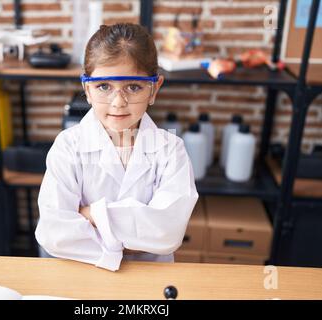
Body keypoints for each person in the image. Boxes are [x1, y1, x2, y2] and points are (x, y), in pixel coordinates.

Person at [35, 23, 199, 271]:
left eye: (133, 87)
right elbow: (54, 233)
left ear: (154, 89)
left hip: (150, 278)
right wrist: (136, 234)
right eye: (104, 87)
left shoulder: (170, 149)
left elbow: (167, 233)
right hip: (84, 275)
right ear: (87, 90)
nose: (118, 102)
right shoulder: (68, 146)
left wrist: (91, 215)